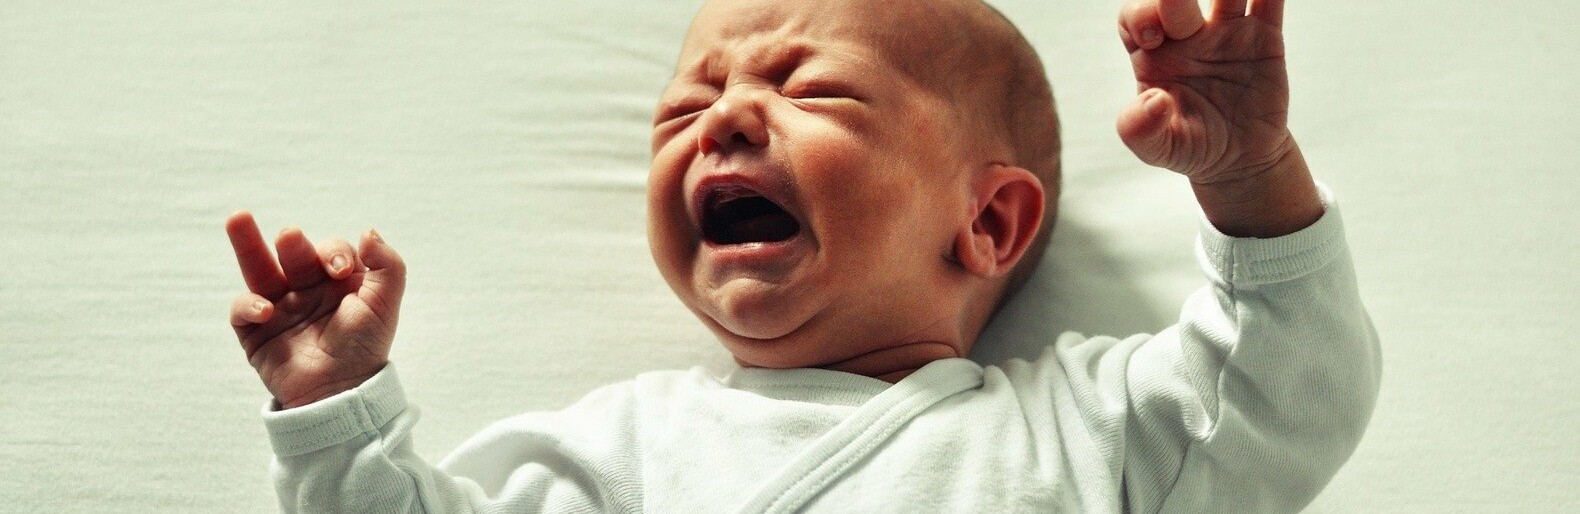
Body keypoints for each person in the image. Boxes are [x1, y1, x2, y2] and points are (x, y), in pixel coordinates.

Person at [224, 0, 1381, 511]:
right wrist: (338, 410)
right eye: (684, 108)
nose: (723, 117)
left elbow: (1284, 392)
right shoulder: (624, 448)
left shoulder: (1082, 427)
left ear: (986, 223)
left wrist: (1247, 177)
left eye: (807, 88)